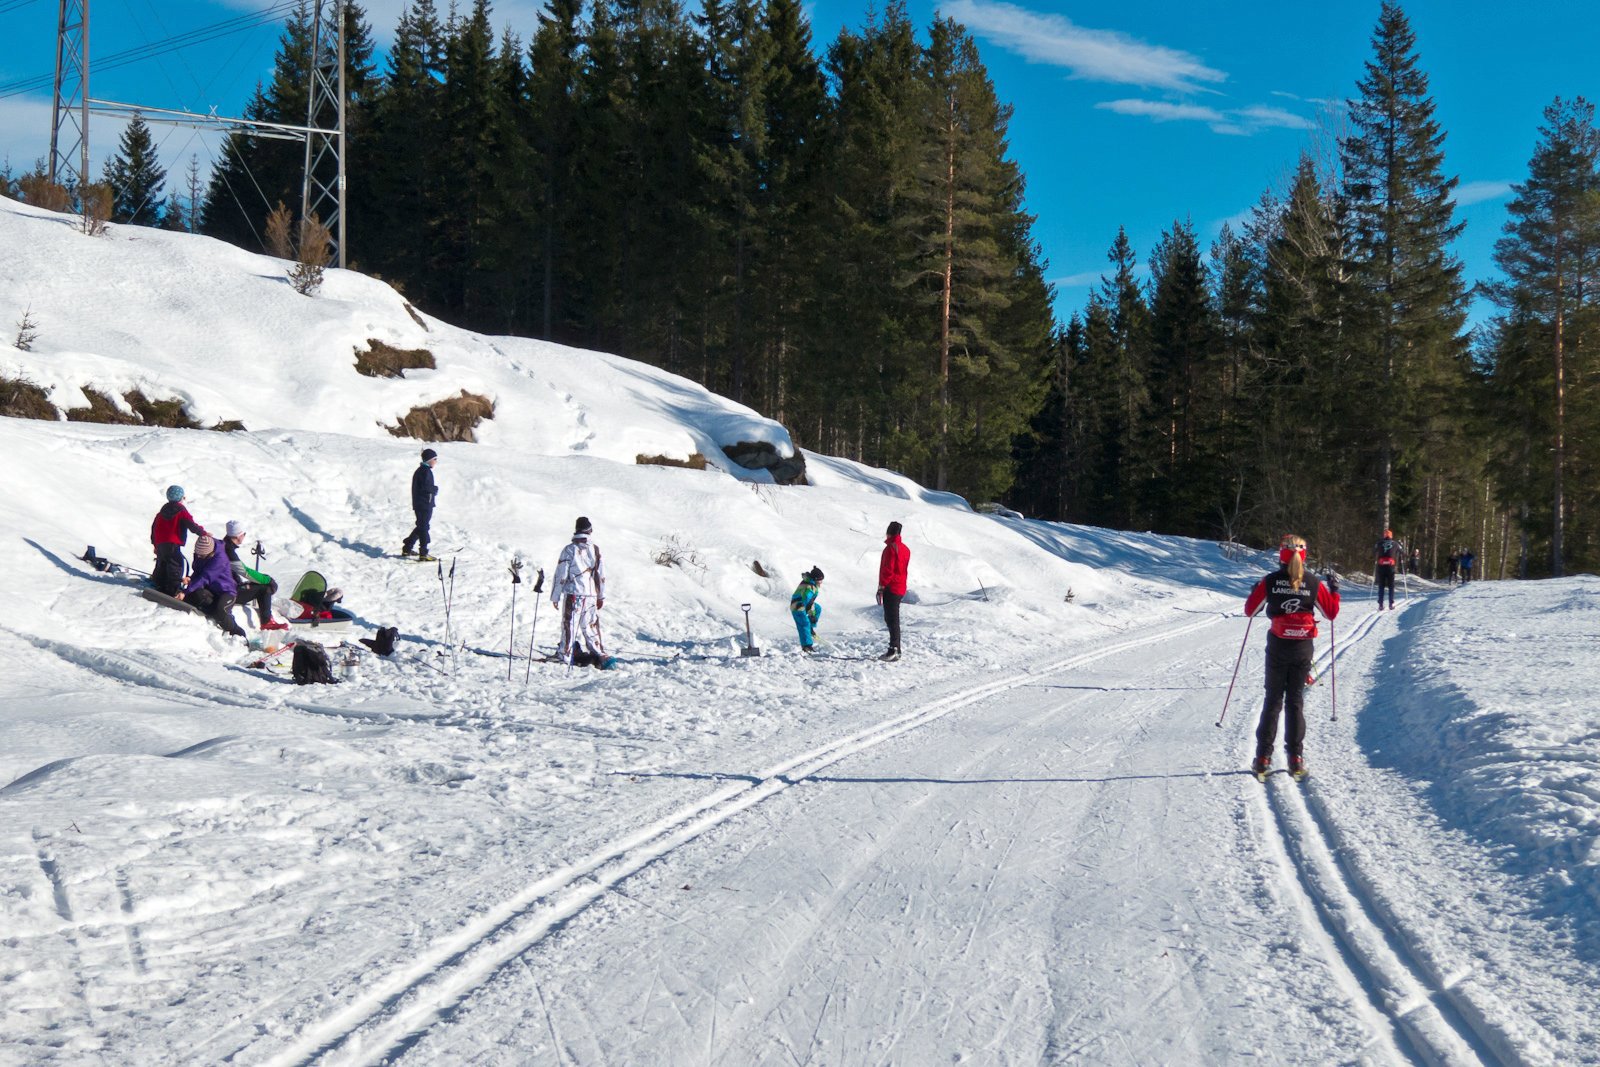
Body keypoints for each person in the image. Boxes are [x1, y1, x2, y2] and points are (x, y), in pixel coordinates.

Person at [1243, 535, 1340, 779]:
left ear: (1280, 555)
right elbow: (1331, 614)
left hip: (1277, 646)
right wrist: (1334, 592)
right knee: (1295, 702)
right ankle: (1295, 758)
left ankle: (1263, 758)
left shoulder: (1270, 581)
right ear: (1304, 555)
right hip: (1302, 648)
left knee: (1273, 701)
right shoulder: (1313, 582)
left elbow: (1250, 611)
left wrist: (1255, 591)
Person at [552, 516, 607, 666]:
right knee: (590, 625)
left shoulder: (569, 550)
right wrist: (600, 595)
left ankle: (565, 654)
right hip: (591, 595)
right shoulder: (595, 549)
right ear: (589, 531)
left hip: (574, 593)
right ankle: (599, 654)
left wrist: (555, 596)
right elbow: (600, 574)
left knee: (569, 624)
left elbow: (561, 574)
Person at [177, 534, 246, 637]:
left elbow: (205, 577)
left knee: (220, 611)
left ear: (211, 553)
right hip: (210, 590)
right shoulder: (201, 552)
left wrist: (185, 592)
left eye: (202, 556)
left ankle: (238, 632)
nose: (199, 557)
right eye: (197, 555)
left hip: (226, 592)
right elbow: (198, 571)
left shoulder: (219, 559)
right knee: (197, 595)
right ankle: (212, 615)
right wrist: (191, 579)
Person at [222, 520, 286, 630]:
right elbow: (244, 571)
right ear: (238, 536)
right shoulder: (229, 550)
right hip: (229, 592)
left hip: (226, 587)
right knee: (264, 588)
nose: (244, 536)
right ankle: (267, 622)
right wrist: (267, 580)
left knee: (258, 584)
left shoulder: (224, 545)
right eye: (244, 534)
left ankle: (267, 619)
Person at [150, 485, 208, 596]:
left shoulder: (161, 512)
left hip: (160, 543)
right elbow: (191, 524)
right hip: (173, 542)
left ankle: (159, 582)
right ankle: (172, 589)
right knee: (176, 564)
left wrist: (155, 544)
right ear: (181, 498)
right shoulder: (181, 511)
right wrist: (203, 533)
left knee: (162, 562)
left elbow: (154, 528)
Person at [877, 521, 910, 662]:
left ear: (889, 532)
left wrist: (881, 586)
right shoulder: (905, 548)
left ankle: (894, 649)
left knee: (892, 619)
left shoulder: (890, 548)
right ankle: (896, 648)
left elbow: (888, 570)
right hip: (900, 586)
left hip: (891, 587)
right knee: (892, 618)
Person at [401, 448, 439, 560]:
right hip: (424, 504)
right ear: (429, 460)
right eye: (435, 459)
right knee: (424, 527)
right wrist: (435, 489)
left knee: (421, 526)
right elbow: (425, 487)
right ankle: (423, 553)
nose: (436, 461)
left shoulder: (422, 470)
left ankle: (407, 548)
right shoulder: (425, 471)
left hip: (422, 504)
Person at [790, 567, 824, 653]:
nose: (821, 582)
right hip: (798, 606)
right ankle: (807, 646)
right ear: (816, 579)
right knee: (804, 624)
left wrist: (812, 615)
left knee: (818, 608)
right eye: (820, 580)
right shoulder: (810, 587)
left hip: (803, 604)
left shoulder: (811, 584)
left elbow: (810, 603)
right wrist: (811, 614)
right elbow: (808, 602)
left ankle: (810, 628)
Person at [1374, 528, 1399, 610]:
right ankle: (1391, 604)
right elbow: (1402, 552)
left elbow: (1374, 551)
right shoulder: (1395, 543)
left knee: (1381, 586)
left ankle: (1380, 604)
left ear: (1384, 535)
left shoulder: (1379, 543)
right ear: (1391, 536)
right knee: (1391, 586)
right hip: (1391, 567)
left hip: (1381, 567)